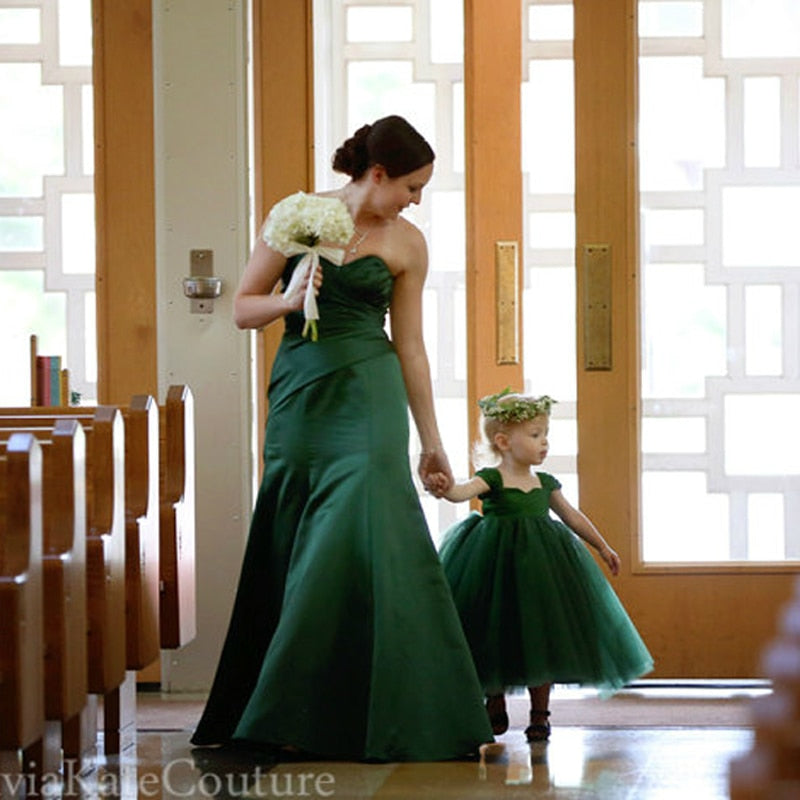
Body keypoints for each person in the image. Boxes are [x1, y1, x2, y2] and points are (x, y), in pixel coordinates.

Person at [191, 115, 493, 762]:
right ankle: (290, 710)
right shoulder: (299, 215)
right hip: (302, 389)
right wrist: (289, 299)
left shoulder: (409, 244)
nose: (417, 200)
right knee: (299, 531)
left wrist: (432, 441)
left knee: (354, 527)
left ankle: (368, 712)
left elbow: (410, 348)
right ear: (376, 174)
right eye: (412, 186)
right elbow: (244, 306)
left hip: (371, 391)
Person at [438, 390, 654, 742]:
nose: (544, 443)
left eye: (545, 435)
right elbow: (461, 492)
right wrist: (444, 487)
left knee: (542, 633)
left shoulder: (545, 483)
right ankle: (494, 702)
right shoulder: (491, 479)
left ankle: (540, 714)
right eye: (535, 435)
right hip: (494, 566)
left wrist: (602, 546)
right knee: (493, 630)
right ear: (504, 441)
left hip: (540, 568)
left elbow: (571, 516)